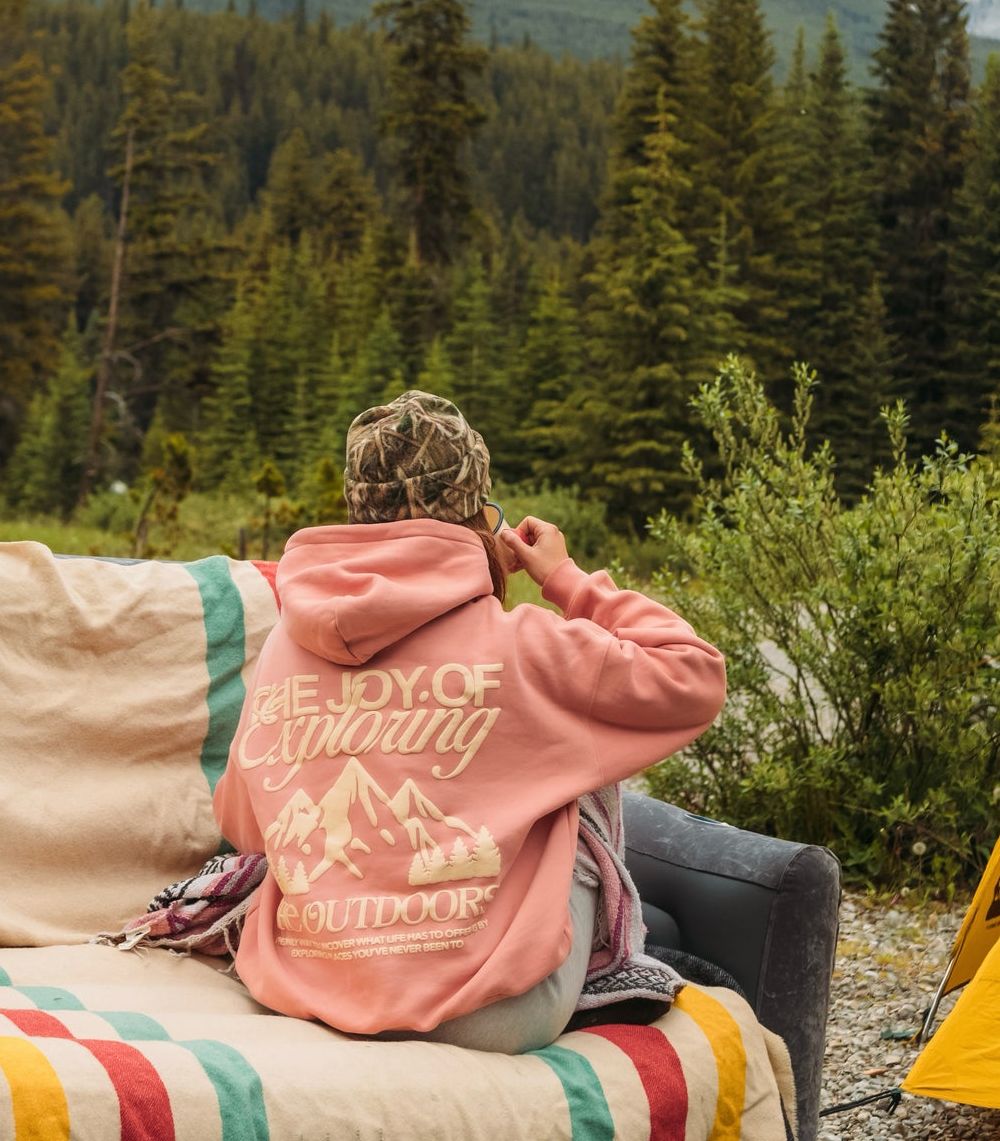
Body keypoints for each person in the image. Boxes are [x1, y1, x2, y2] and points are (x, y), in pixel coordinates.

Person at [212, 389, 725, 1052]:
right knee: (576, 758)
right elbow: (692, 673)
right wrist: (566, 579)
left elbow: (245, 824)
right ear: (481, 516)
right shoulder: (523, 645)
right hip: (492, 1011)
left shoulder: (286, 645)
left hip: (310, 987)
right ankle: (611, 960)